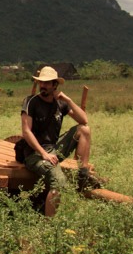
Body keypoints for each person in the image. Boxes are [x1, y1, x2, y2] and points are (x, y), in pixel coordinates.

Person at [16, 66, 102, 215]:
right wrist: (44, 154)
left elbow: (84, 119)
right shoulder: (31, 102)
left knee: (84, 129)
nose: (43, 86)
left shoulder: (60, 103)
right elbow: (26, 131)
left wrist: (68, 100)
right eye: (41, 83)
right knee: (59, 183)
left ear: (55, 85)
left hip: (54, 149)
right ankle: (50, 226)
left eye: (47, 83)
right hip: (34, 153)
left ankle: (82, 175)